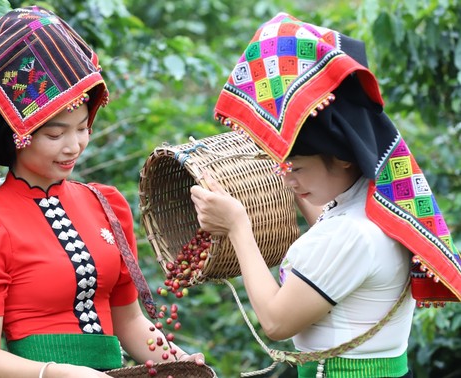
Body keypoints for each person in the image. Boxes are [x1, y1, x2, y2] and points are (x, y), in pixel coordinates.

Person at [0, 6, 204, 378]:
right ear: (16, 135)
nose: (74, 146)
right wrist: (57, 373)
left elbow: (129, 323)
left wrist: (180, 362)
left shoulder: (106, 205)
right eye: (55, 134)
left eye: (82, 128)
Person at [190, 13, 461, 378]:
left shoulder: (351, 234)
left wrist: (238, 226)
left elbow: (276, 321)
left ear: (344, 159)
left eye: (297, 168)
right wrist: (298, 187)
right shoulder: (380, 203)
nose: (287, 178)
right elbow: (336, 248)